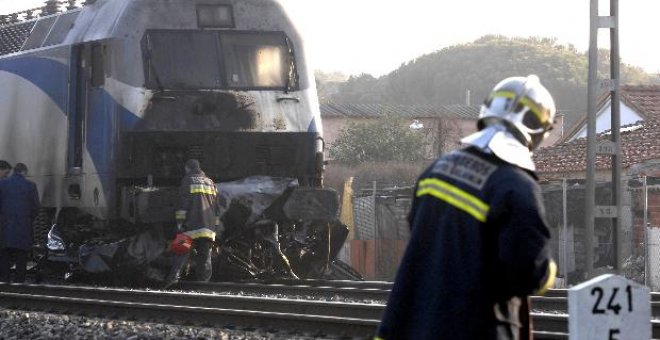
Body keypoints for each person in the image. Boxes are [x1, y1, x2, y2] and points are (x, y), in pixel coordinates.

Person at [375, 75, 558, 340]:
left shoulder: (437, 171)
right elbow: (528, 274)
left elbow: (420, 235)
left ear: (486, 111)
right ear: (539, 130)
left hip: (410, 325)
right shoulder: (517, 188)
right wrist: (549, 271)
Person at [164, 159, 221, 287]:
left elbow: (183, 204)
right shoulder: (210, 182)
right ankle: (203, 287)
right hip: (208, 228)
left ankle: (172, 280)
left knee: (180, 252)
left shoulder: (187, 180)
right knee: (205, 258)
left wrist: (179, 223)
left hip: (190, 226)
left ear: (187, 168)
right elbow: (217, 208)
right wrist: (215, 227)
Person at [0, 163, 40, 283]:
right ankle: (19, 283)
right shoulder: (31, 186)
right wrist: (28, 219)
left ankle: (4, 281)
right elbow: (36, 207)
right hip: (23, 227)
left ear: (14, 171)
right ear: (24, 172)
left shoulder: (2, 183)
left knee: (4, 256)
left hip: (4, 226)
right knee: (21, 257)